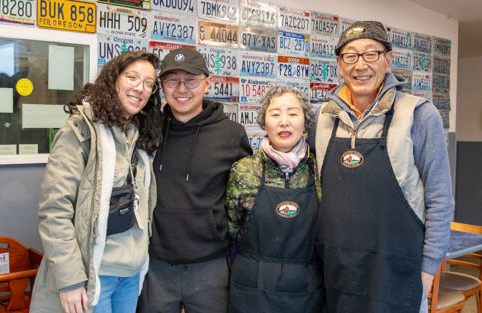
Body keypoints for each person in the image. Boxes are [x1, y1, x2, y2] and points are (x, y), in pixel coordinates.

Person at [310, 21, 455, 313]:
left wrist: (428, 268)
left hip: (399, 272)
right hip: (337, 273)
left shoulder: (419, 115)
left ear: (388, 59)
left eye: (371, 54)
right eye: (350, 55)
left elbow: (440, 200)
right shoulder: (323, 118)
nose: (360, 65)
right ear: (339, 64)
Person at [30, 51, 162, 313]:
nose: (140, 88)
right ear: (113, 80)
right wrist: (69, 281)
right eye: (132, 78)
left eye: (149, 84)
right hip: (93, 273)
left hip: (132, 272)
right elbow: (54, 211)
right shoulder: (80, 131)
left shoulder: (142, 136)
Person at [137, 48, 252, 313]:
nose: (181, 89)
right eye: (172, 81)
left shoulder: (232, 134)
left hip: (210, 267)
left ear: (207, 83)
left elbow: (243, 202)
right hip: (154, 265)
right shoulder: (147, 131)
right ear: (161, 86)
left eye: (191, 80)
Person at [226, 86, 325, 313]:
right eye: (275, 114)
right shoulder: (244, 170)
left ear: (306, 121)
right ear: (263, 122)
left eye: (292, 113)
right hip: (252, 289)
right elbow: (231, 227)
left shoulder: (320, 170)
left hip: (307, 289)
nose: (284, 122)